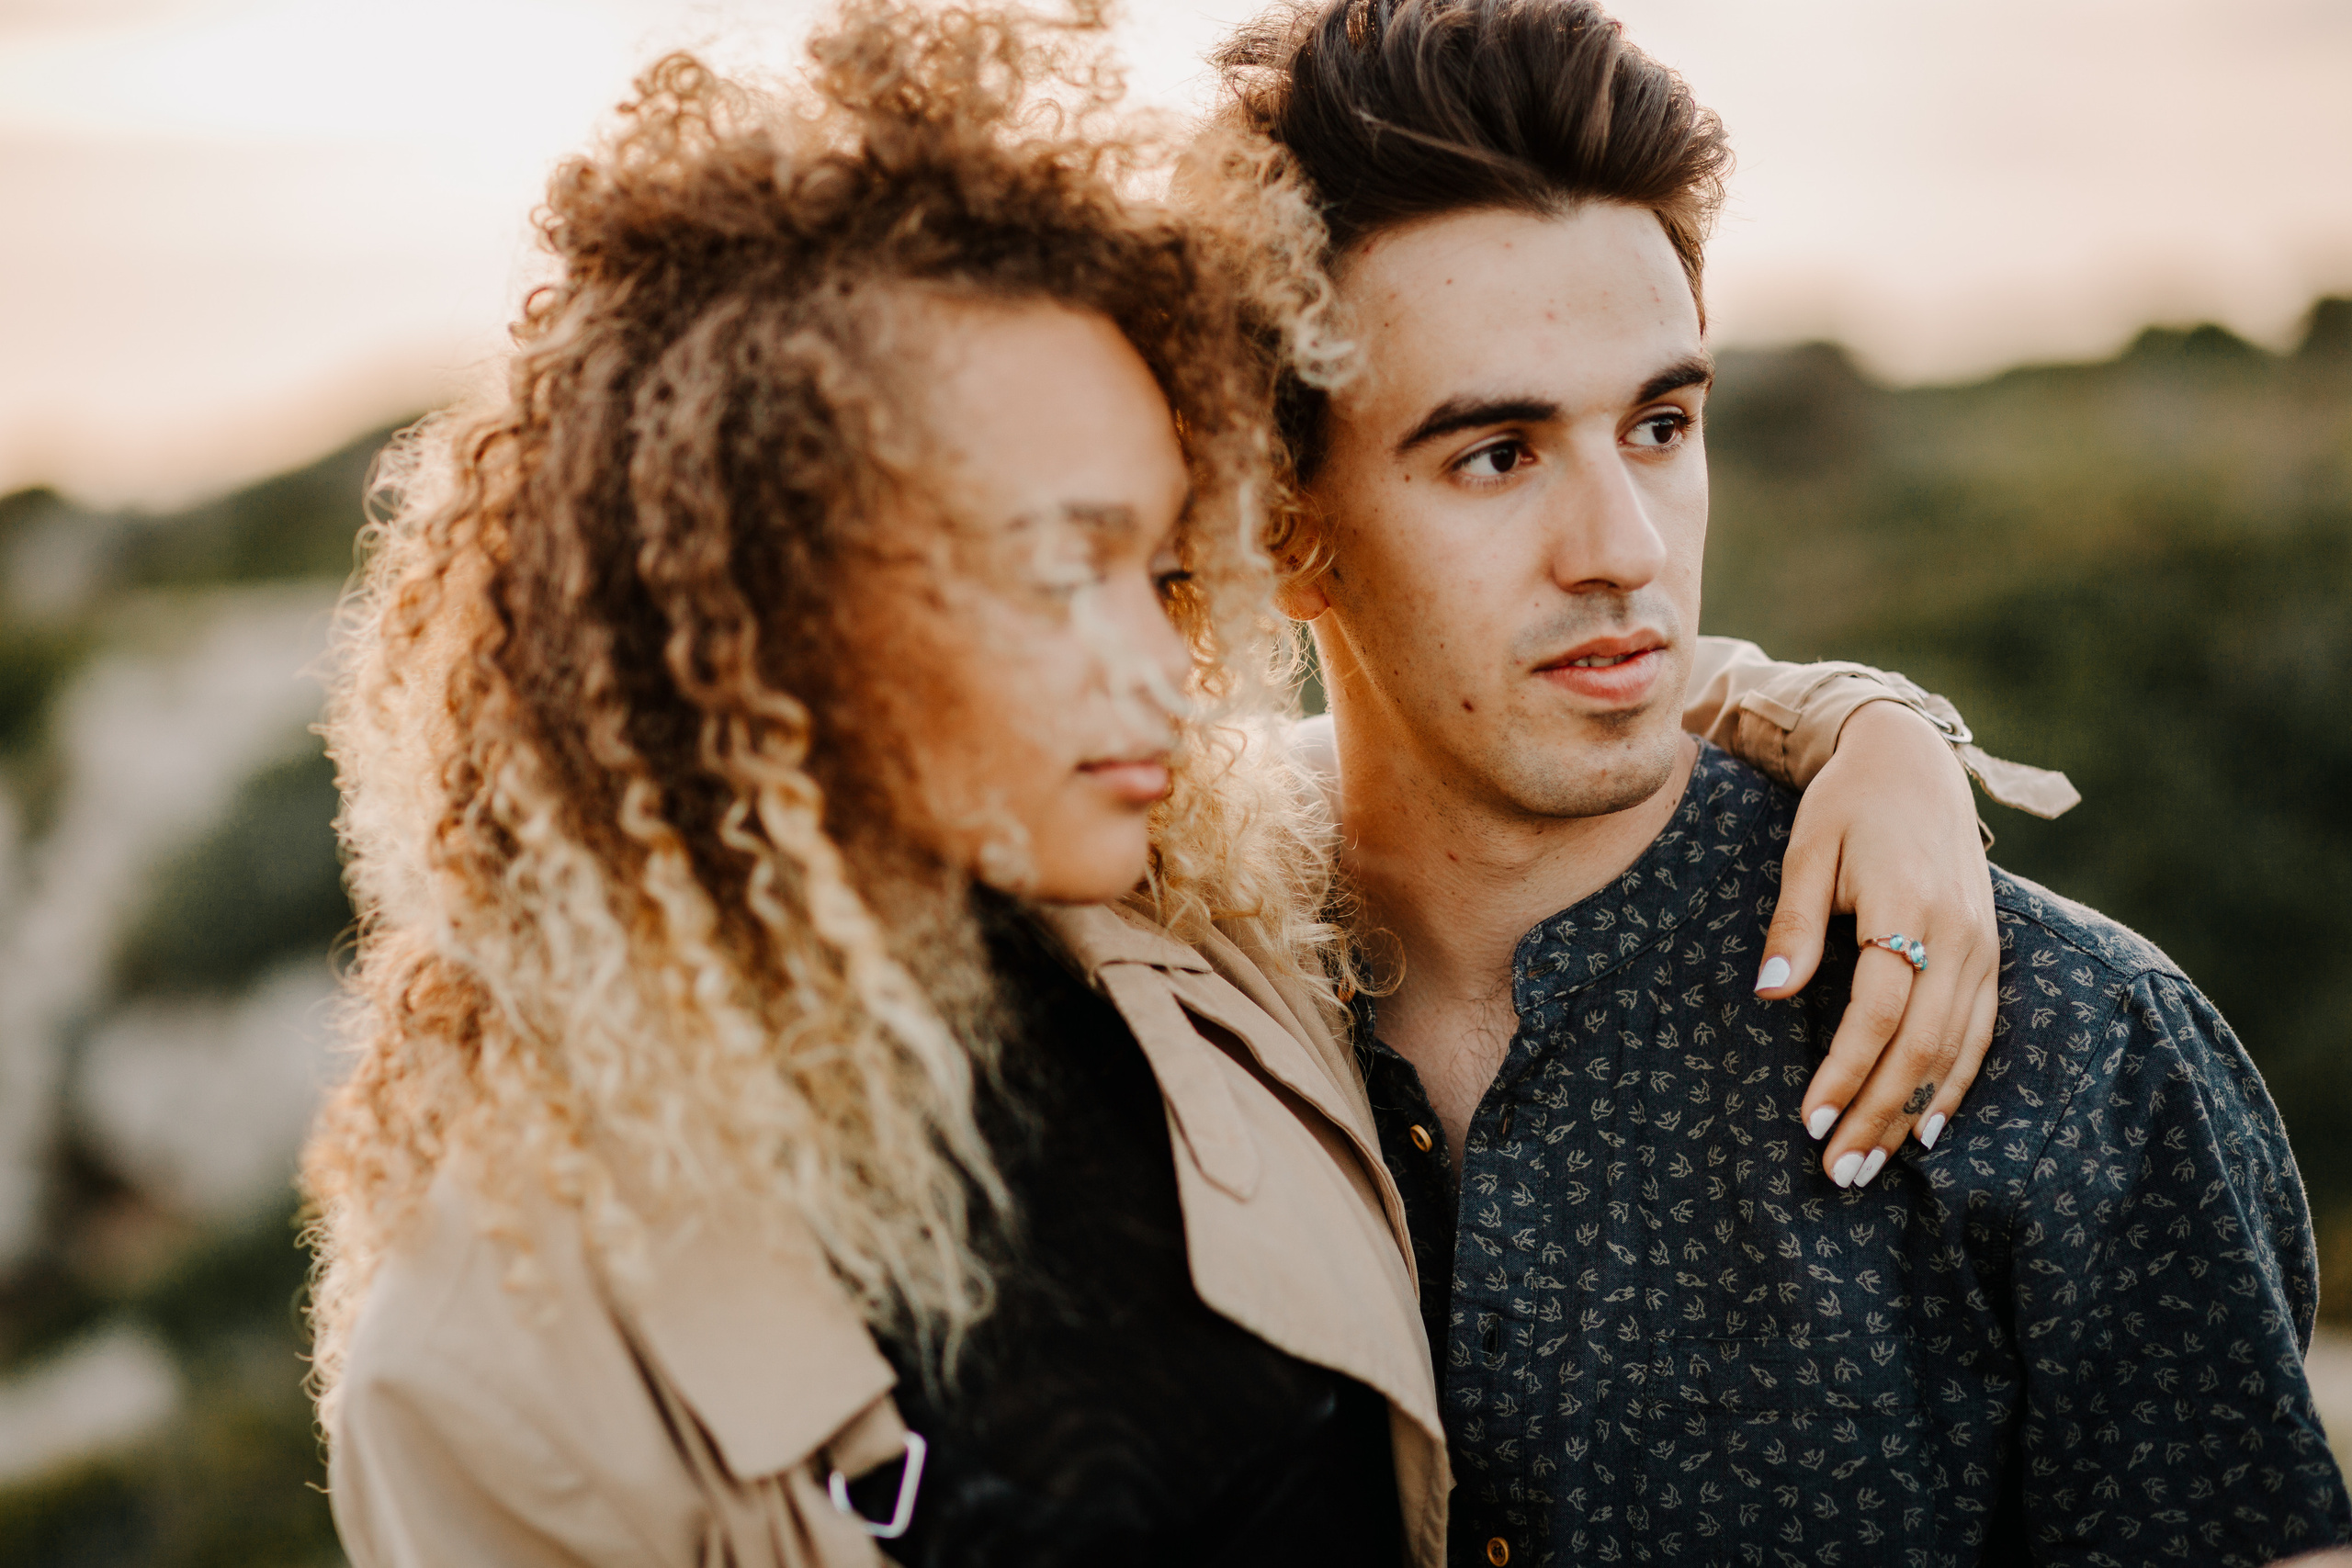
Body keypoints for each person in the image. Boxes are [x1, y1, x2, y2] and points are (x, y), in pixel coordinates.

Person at [308, 3, 2031, 1565]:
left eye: (1164, 572)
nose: (1161, 673)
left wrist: (1870, 734)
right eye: (1060, 574)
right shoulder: (495, 1357)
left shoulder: (1187, 929)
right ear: (766, 609)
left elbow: (1489, 722)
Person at [1213, 1, 2352, 1563]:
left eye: (1662, 425)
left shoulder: (2069, 1048)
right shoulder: (1152, 1011)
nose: (1623, 548)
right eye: (1497, 454)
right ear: (1282, 519)